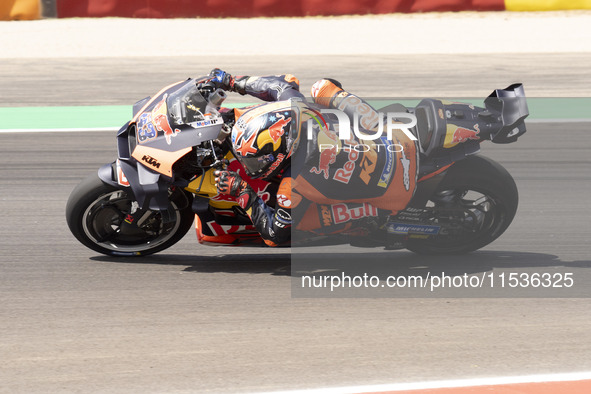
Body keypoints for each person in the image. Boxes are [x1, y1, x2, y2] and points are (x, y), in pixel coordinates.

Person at [207, 69, 418, 247]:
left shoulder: (291, 186)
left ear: (282, 153)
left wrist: (242, 191)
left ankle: (371, 220)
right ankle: (378, 120)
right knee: (322, 88)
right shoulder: (297, 106)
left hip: (398, 192)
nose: (249, 165)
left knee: (300, 224)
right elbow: (281, 84)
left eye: (255, 160)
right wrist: (233, 82)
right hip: (398, 137)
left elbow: (274, 236)